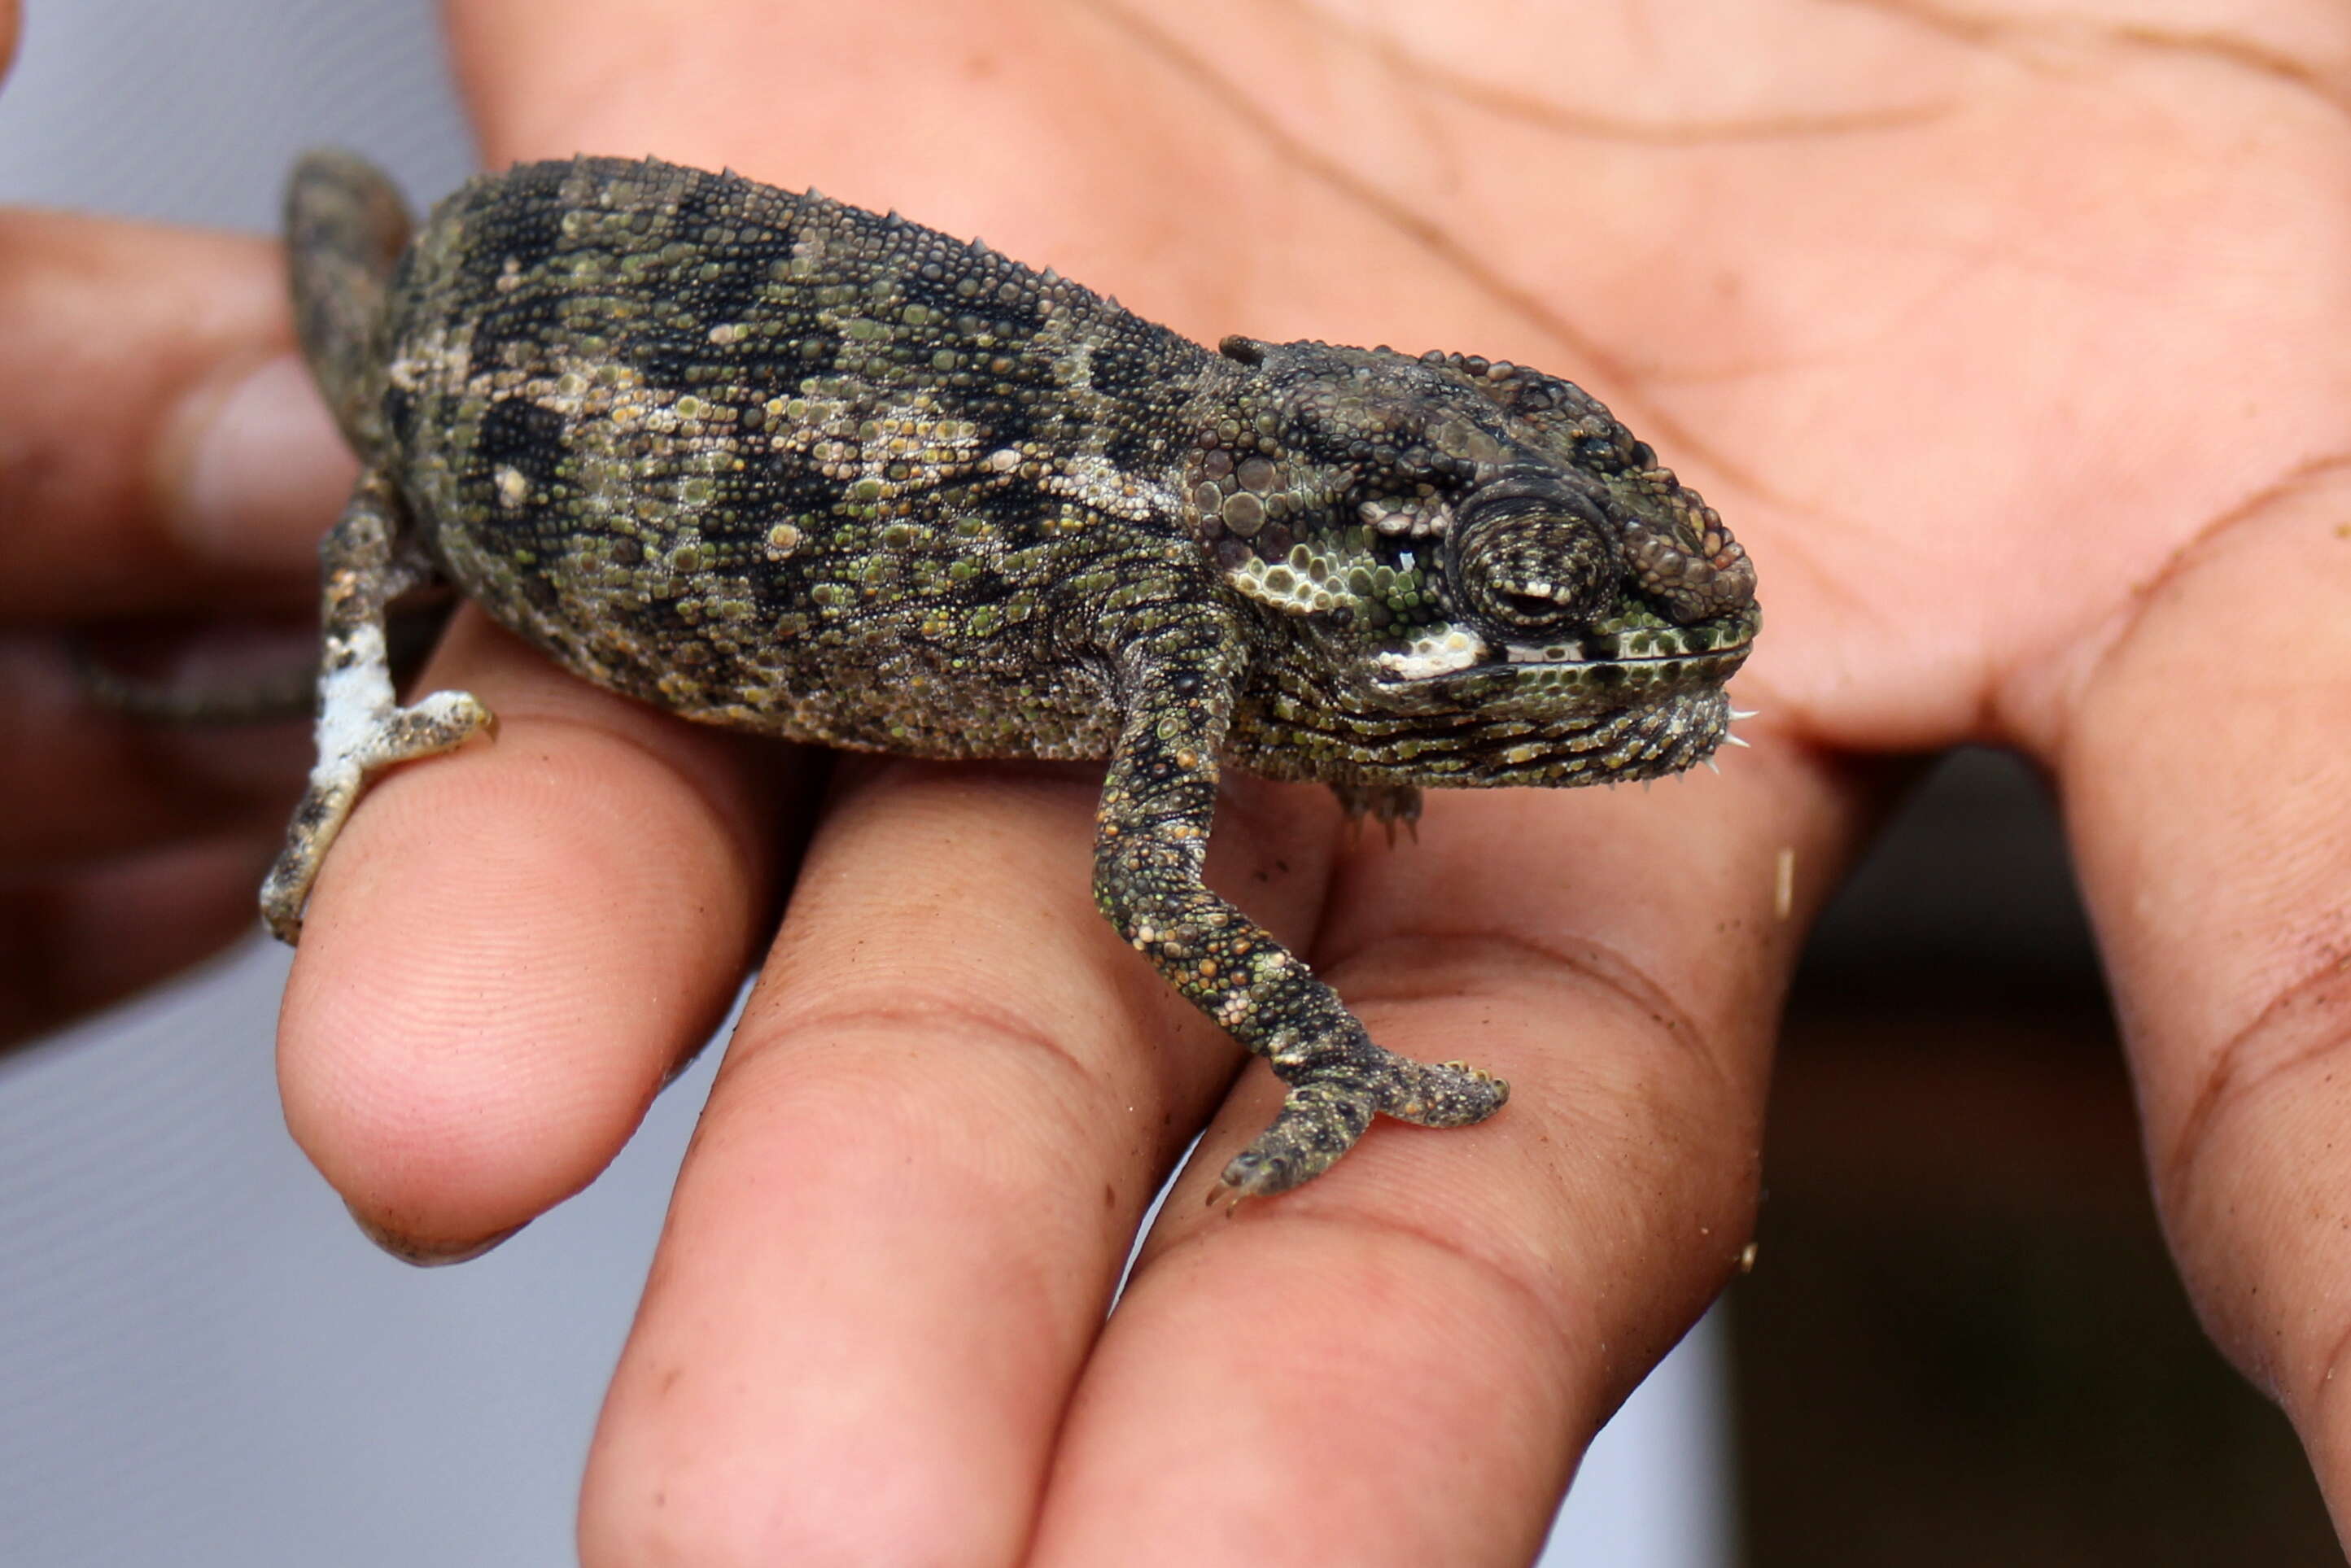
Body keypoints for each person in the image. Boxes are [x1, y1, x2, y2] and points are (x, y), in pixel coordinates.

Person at [10, 0, 2349, 1560]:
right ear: (1351, 536)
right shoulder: (1167, 590)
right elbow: (1152, 896)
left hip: (542, 262)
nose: (1603, 649)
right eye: (1522, 580)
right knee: (382, 530)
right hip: (487, 382)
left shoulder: (1211, 561)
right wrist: (1323, 1045)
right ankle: (329, 740)